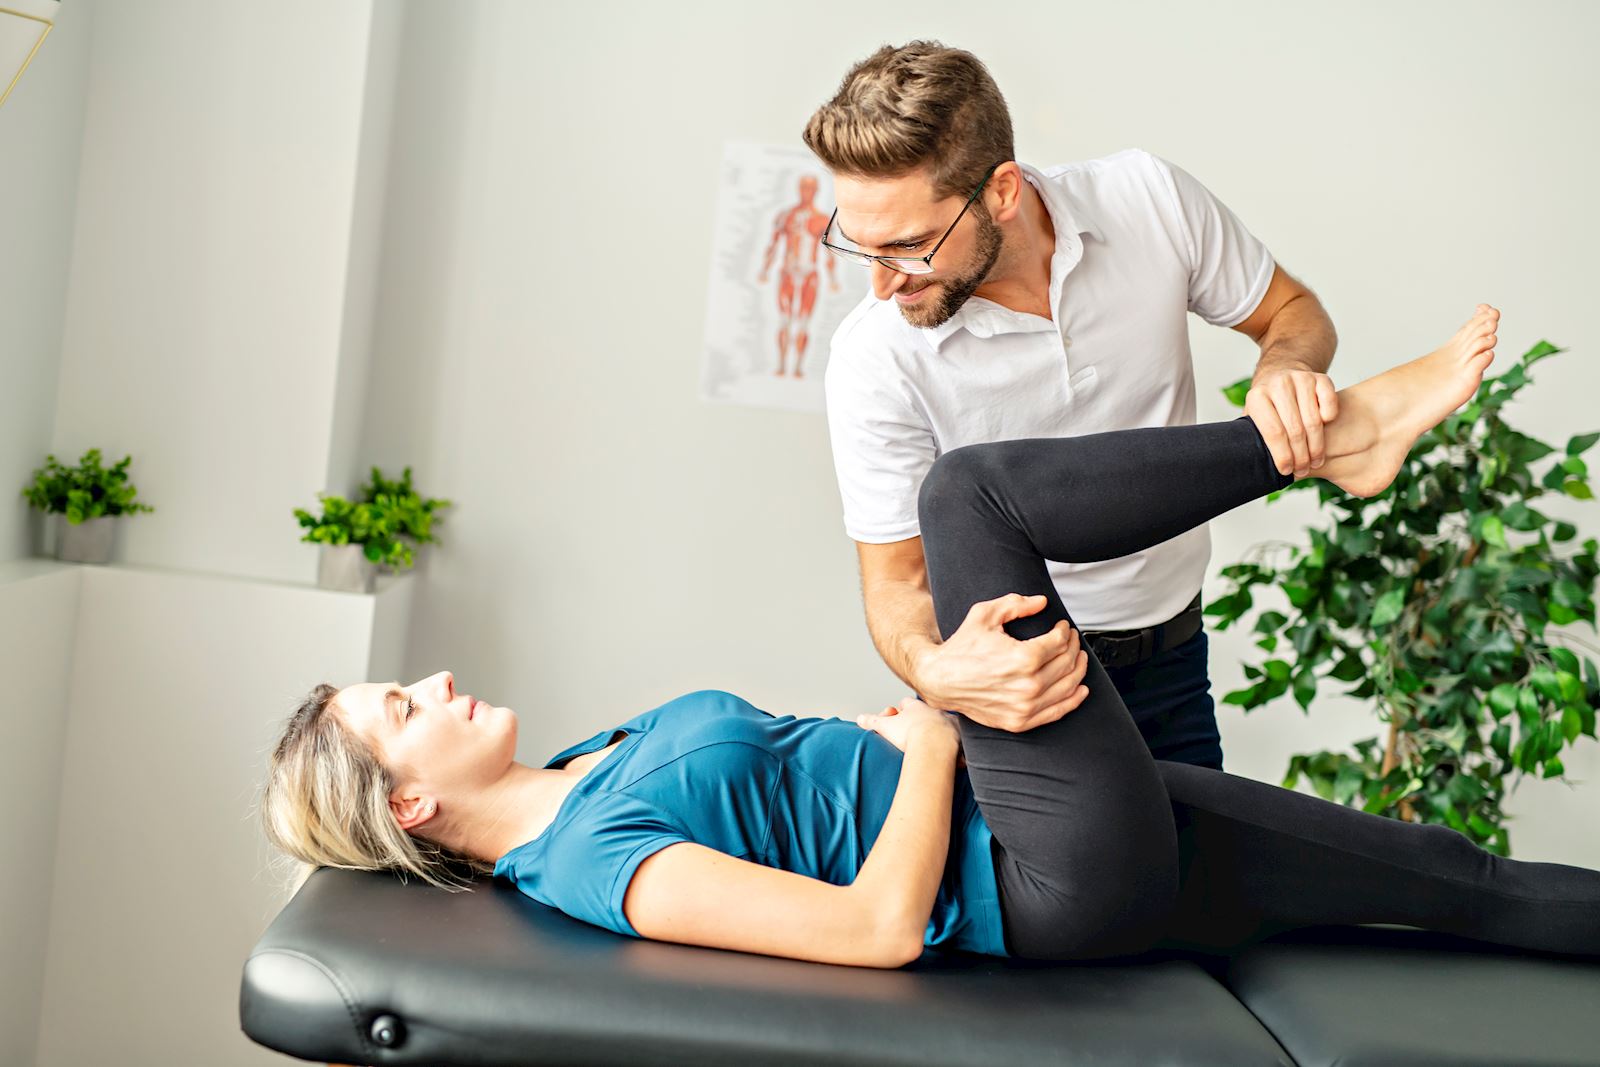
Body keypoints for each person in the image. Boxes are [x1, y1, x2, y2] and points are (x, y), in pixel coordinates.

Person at [262, 306, 1600, 968]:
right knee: (966, 491)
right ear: (414, 797)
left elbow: (800, 786)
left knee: (1450, 876)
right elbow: (877, 927)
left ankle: (1338, 444)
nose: (433, 680)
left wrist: (931, 721)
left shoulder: (580, 761)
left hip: (1040, 811)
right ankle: (1332, 440)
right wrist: (932, 734)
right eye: (403, 706)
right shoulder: (586, 862)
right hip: (1032, 863)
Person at [806, 41, 1342, 769]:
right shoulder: (876, 355)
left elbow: (1292, 311)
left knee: (1197, 880)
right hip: (1019, 683)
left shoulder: (1149, 200)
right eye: (859, 246)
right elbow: (898, 583)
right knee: (1078, 887)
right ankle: (1355, 432)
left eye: (910, 246)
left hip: (1174, 655)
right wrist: (935, 672)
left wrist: (1286, 364)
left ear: (1002, 191)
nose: (881, 284)